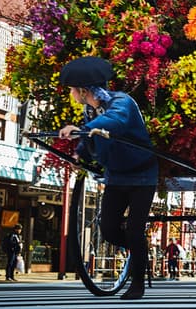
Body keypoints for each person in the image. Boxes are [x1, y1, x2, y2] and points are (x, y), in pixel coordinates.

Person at [58, 56, 158, 300]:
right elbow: (90, 139)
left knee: (134, 230)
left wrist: (82, 129)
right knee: (110, 231)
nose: (71, 94)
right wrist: (78, 150)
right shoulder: (89, 109)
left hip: (142, 175)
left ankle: (137, 282)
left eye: (72, 90)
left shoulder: (122, 102)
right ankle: (140, 253)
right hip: (116, 176)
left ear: (83, 90)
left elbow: (113, 122)